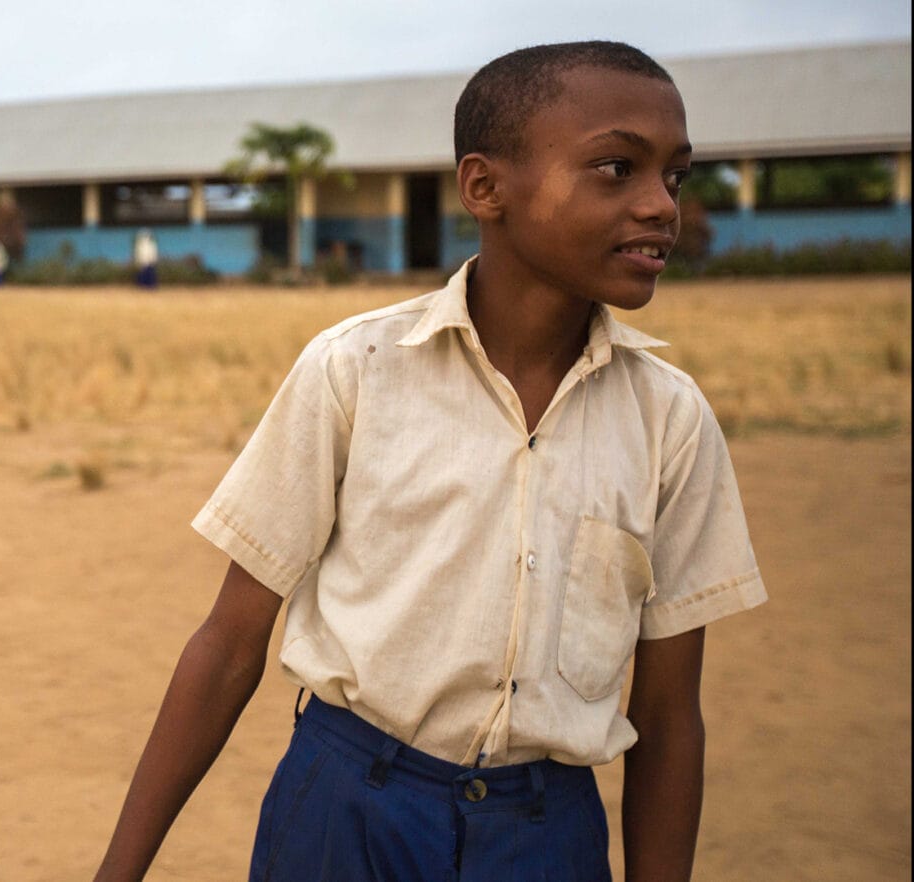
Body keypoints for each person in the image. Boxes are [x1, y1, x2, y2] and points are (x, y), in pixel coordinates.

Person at [94, 41, 767, 882]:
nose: (660, 205)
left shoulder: (671, 421)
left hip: (545, 833)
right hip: (343, 809)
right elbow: (231, 643)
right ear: (485, 188)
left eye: (675, 176)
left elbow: (668, 717)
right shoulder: (355, 372)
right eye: (616, 168)